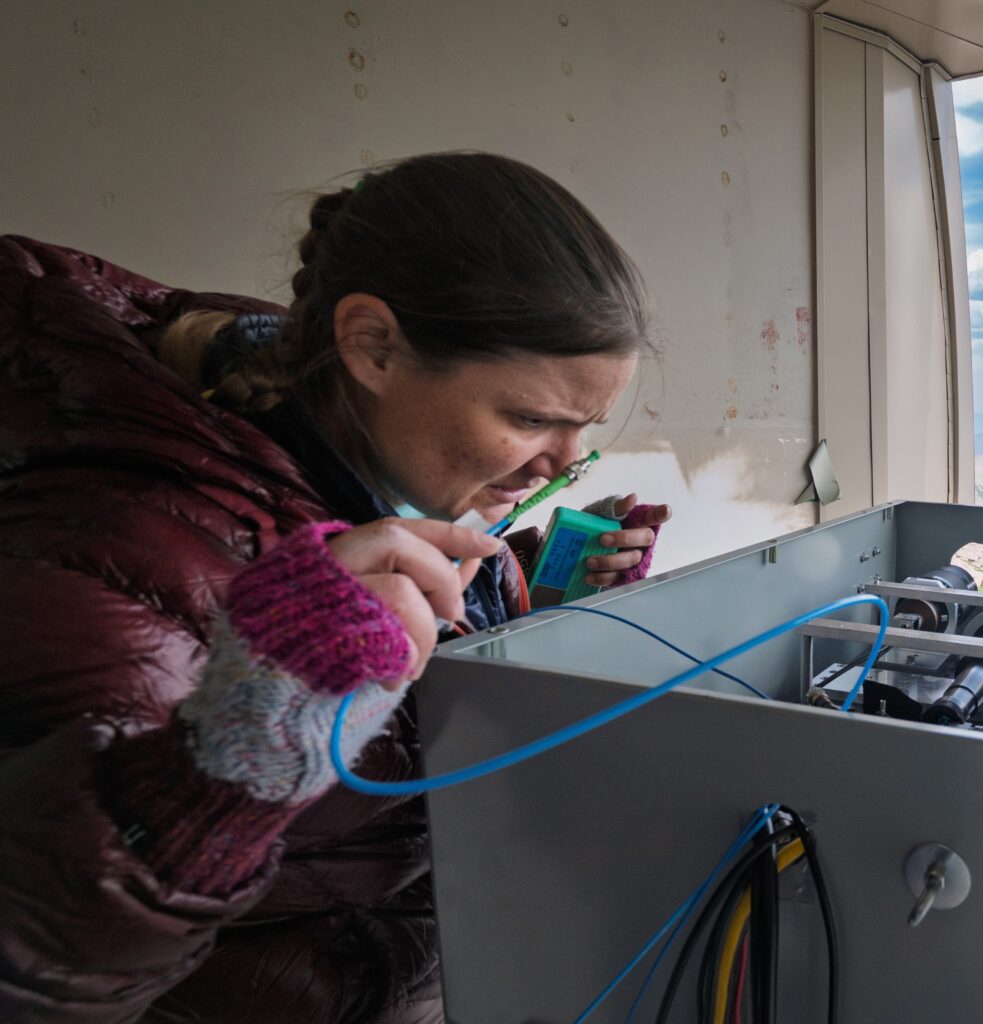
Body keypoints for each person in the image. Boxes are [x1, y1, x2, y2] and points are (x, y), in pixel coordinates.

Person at [0, 152, 674, 1021]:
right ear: (372, 346)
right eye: (532, 417)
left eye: (587, 426)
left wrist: (535, 616)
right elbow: (36, 967)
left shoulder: (389, 488)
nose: (566, 460)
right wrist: (226, 769)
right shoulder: (114, 550)